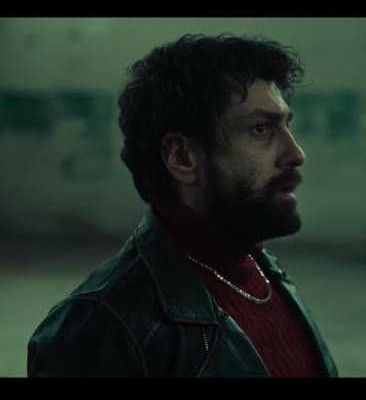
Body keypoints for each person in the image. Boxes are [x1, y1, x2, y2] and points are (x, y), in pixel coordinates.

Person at [26, 33, 338, 378]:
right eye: (261, 129)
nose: (296, 154)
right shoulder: (101, 326)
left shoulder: (263, 273)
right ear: (182, 157)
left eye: (286, 125)